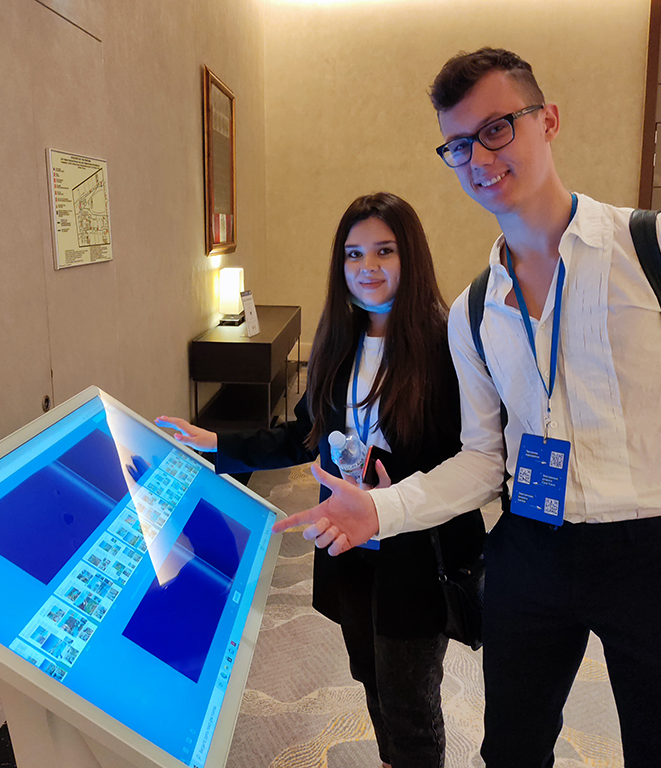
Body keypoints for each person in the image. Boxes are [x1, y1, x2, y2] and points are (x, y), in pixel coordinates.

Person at [274, 48, 661, 767]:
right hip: (531, 548)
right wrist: (383, 510)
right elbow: (482, 459)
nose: (479, 158)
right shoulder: (474, 310)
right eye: (458, 145)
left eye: (496, 128)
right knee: (512, 752)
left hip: (656, 554)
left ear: (548, 120)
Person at [157, 192, 484, 768]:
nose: (367, 267)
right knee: (371, 675)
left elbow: (472, 458)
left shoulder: (447, 346)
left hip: (415, 553)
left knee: (410, 699)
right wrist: (218, 443)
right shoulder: (339, 342)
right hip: (347, 547)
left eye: (384, 251)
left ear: (411, 257)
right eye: (354, 254)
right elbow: (304, 434)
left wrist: (394, 496)